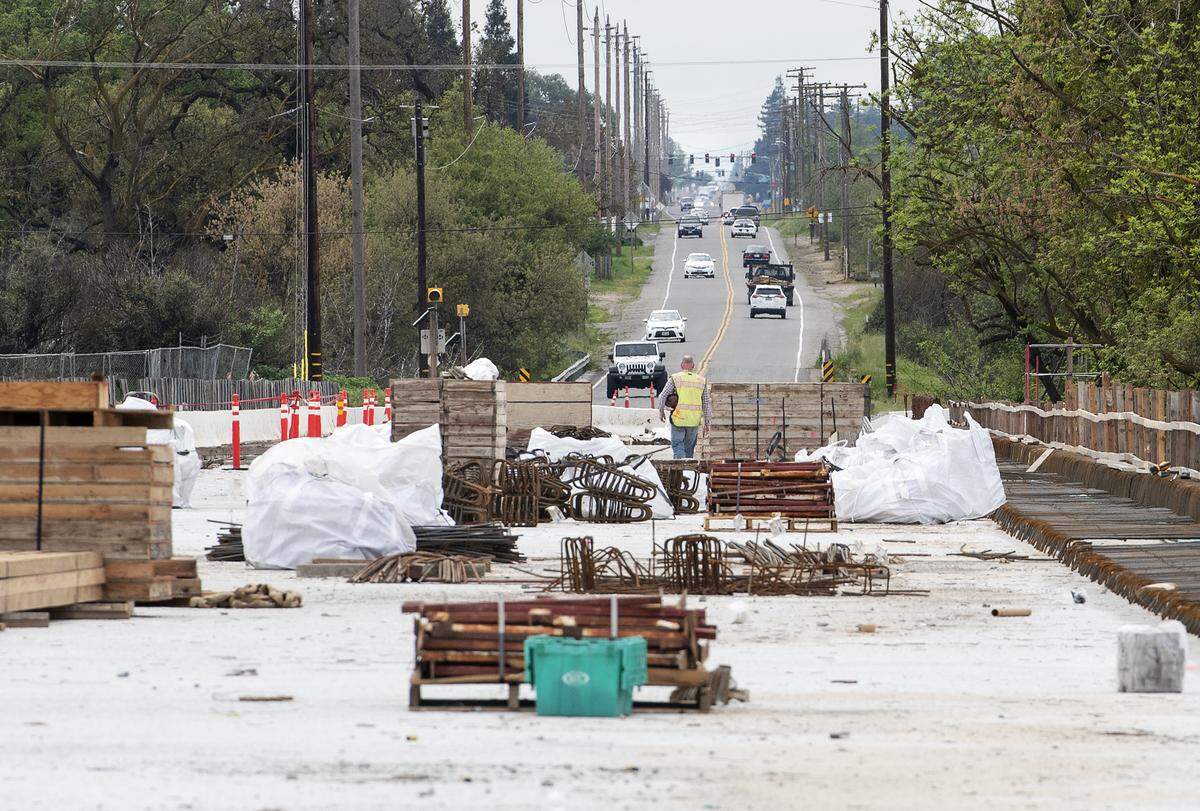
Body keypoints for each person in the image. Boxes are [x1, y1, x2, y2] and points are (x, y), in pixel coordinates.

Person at [658, 354, 712, 459]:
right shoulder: (701, 381)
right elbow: (706, 403)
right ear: (693, 366)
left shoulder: (675, 378)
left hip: (678, 418)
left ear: (681, 365)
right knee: (689, 448)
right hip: (693, 421)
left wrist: (661, 411)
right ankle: (688, 471)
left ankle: (680, 469)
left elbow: (662, 395)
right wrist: (707, 422)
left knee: (678, 445)